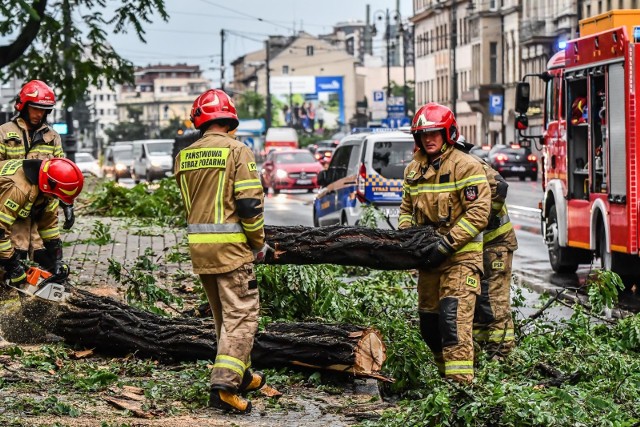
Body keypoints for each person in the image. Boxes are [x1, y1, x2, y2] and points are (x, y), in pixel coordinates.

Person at [174, 89, 269, 414]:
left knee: (224, 319)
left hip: (201, 252)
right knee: (242, 316)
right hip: (232, 250)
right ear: (230, 120)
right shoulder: (237, 151)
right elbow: (248, 205)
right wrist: (259, 243)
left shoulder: (184, 156)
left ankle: (240, 374)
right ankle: (225, 387)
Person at [398, 102, 491, 383]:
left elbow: (479, 213)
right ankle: (444, 382)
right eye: (423, 134)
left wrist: (446, 244)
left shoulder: (466, 166)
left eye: (435, 132)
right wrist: (409, 241)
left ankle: (460, 390)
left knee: (453, 323)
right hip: (429, 261)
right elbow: (405, 210)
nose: (429, 139)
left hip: (460, 259)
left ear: (448, 133)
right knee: (429, 326)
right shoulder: (413, 170)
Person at [0, 80, 72, 274]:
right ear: (23, 106)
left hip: (40, 209)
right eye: (35, 108)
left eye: (44, 110)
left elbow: (60, 172)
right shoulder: (4, 133)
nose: (39, 114)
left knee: (46, 268)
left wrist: (66, 202)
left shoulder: (52, 137)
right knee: (11, 267)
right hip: (11, 211)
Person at [456, 136, 518, 358]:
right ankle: (485, 352)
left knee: (494, 301)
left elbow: (500, 186)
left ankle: (503, 355)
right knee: (480, 301)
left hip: (496, 244)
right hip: (481, 246)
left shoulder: (472, 165)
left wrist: (484, 218)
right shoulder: (453, 166)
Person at [0, 158, 84, 291]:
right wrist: (12, 265)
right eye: (56, 197)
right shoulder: (19, 190)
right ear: (48, 185)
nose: (55, 199)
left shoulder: (47, 188)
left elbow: (48, 225)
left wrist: (57, 259)